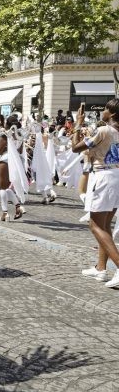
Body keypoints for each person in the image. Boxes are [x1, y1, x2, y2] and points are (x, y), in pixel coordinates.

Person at [71, 100, 119, 287]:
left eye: (106, 109)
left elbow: (76, 148)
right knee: (105, 225)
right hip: (116, 175)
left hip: (104, 176)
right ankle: (101, 268)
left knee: (95, 225)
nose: (103, 112)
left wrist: (77, 124)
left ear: (113, 114)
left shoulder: (104, 130)